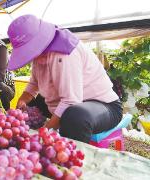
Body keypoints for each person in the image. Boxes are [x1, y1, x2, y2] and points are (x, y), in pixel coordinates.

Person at [8, 15, 122, 143]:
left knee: (75, 116)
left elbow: (70, 101)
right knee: (31, 105)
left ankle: (67, 157)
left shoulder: (64, 53)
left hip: (104, 107)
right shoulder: (39, 54)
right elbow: (34, 84)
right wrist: (23, 99)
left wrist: (44, 132)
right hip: (69, 103)